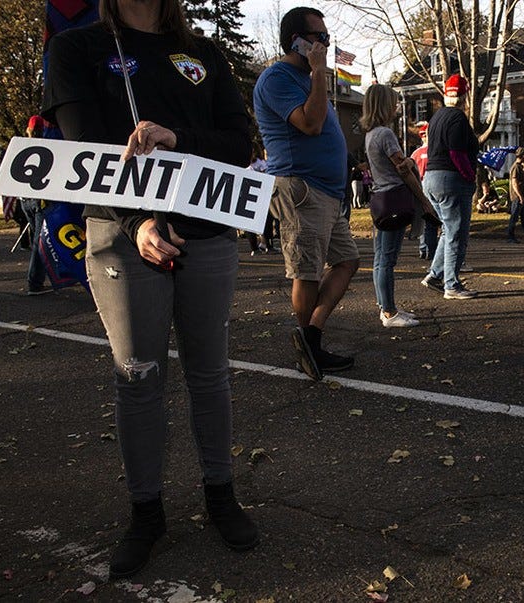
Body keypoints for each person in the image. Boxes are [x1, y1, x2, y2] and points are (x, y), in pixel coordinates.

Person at [42, 0, 259, 579]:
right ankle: (146, 513)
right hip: (120, 233)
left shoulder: (204, 53)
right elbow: (82, 150)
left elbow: (239, 144)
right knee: (138, 376)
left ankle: (220, 494)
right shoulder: (76, 48)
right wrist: (137, 220)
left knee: (209, 371)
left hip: (207, 233)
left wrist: (178, 137)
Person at [254, 6, 360, 380]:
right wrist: (317, 73)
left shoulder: (310, 80)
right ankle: (310, 350)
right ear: (295, 40)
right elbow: (311, 125)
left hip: (328, 193)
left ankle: (311, 334)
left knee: (347, 260)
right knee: (308, 272)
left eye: (326, 38)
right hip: (301, 189)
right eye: (319, 37)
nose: (326, 44)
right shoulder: (276, 79)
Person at [362, 84, 438, 328]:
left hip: (380, 199)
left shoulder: (370, 134)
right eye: (393, 102)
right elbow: (403, 170)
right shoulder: (385, 134)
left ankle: (387, 307)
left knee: (380, 258)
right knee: (387, 259)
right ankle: (389, 312)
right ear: (383, 105)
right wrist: (423, 200)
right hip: (393, 197)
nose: (396, 107)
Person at [420, 73, 479, 300]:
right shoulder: (458, 118)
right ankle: (452, 285)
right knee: (457, 233)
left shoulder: (436, 118)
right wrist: (469, 175)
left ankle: (435, 274)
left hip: (431, 179)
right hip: (451, 180)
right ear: (465, 95)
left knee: (447, 230)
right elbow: (456, 153)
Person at [20, 116, 51, 295]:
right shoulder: (47, 148)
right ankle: (35, 282)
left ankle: (38, 279)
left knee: (37, 240)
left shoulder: (23, 148)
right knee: (41, 242)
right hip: (40, 200)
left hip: (26, 200)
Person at [410, 121, 438, 259]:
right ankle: (432, 251)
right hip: (433, 184)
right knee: (433, 219)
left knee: (422, 220)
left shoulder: (415, 154)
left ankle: (423, 248)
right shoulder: (435, 151)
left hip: (418, 186)